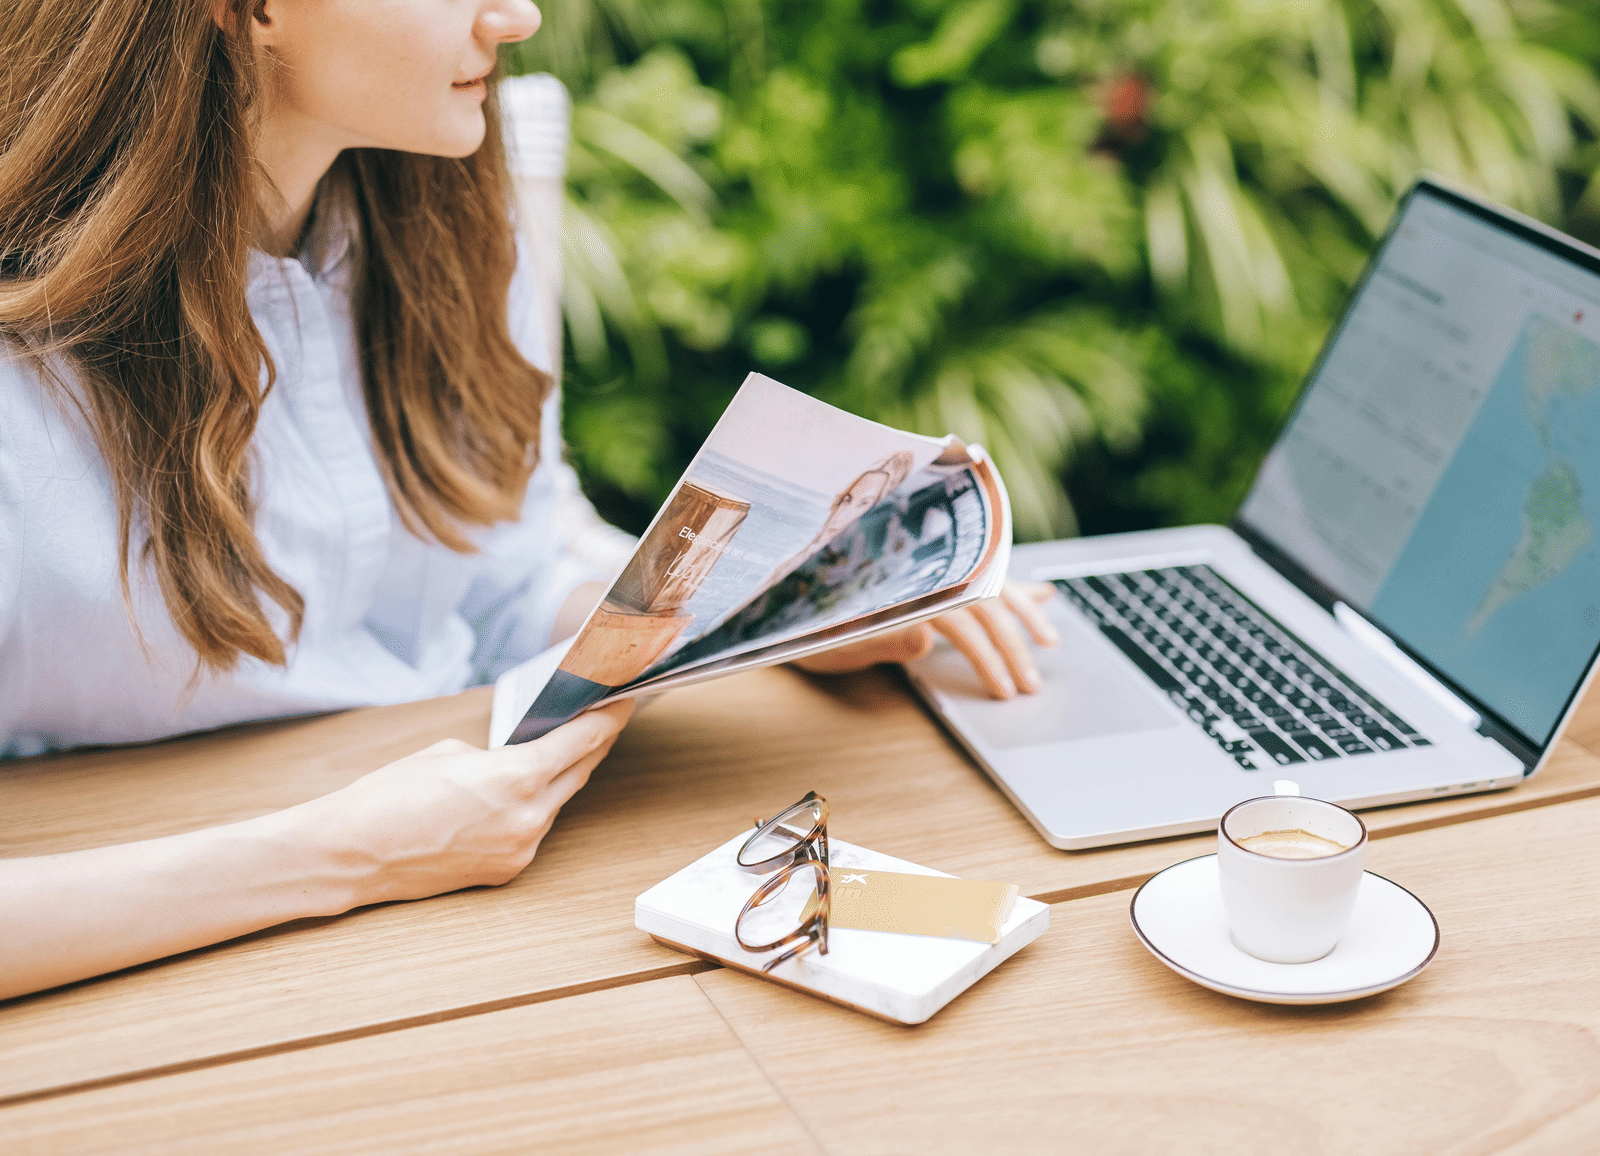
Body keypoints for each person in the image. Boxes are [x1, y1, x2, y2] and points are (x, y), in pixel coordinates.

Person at [0, 0, 1057, 1001]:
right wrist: (346, 852)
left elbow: (504, 577)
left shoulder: (435, 209)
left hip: (481, 894)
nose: (517, 16)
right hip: (180, 957)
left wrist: (764, 618)